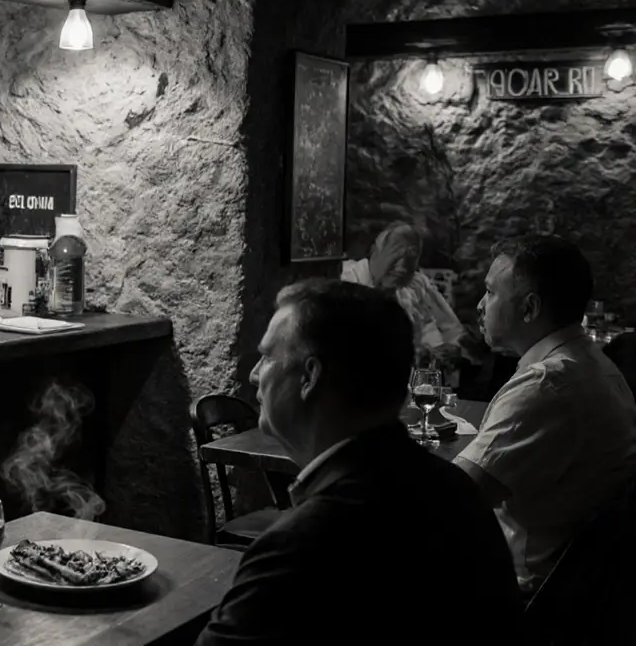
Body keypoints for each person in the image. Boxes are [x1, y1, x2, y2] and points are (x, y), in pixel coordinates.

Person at [195, 279, 523, 645]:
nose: (255, 374)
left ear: (309, 377)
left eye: (268, 356)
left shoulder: (300, 547)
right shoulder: (455, 488)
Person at [455, 235, 636, 593]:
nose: (479, 305)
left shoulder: (546, 385)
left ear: (529, 308)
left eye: (490, 293)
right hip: (586, 592)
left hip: (526, 596)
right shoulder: (596, 365)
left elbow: (451, 499)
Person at [342, 222, 467, 364]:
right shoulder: (345, 282)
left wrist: (448, 350)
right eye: (396, 255)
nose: (402, 268)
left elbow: (453, 331)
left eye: (411, 258)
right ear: (374, 251)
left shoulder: (417, 284)